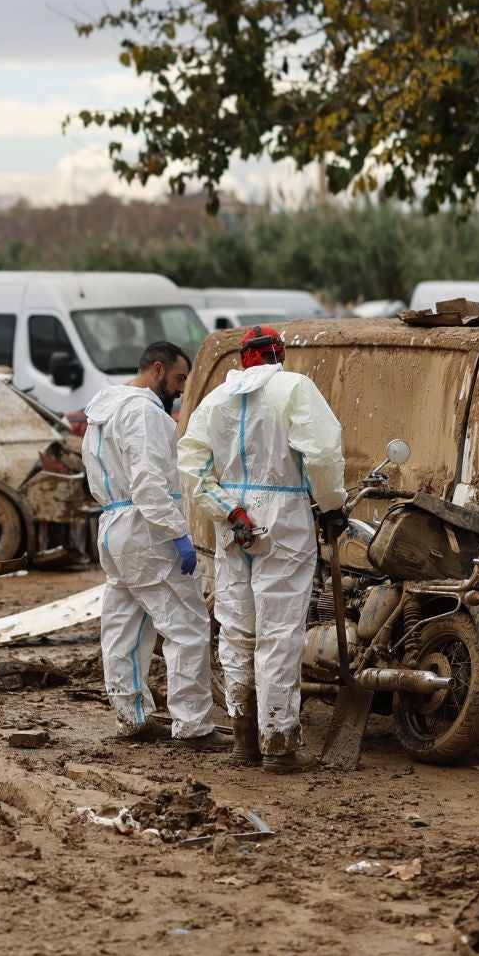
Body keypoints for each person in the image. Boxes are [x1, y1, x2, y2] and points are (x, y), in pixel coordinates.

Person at [178, 325, 345, 772]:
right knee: (278, 634)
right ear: (279, 356)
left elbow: (191, 468)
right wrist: (331, 505)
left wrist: (229, 511)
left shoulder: (215, 401)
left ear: (243, 359)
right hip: (285, 516)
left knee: (237, 630)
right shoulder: (294, 389)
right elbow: (323, 453)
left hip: (236, 523)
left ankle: (243, 741)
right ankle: (279, 744)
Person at [84, 340, 227, 751]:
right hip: (146, 529)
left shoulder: (102, 409)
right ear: (158, 370)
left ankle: (132, 717)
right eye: (180, 378)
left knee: (124, 626)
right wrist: (176, 533)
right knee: (188, 628)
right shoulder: (143, 413)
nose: (183, 388)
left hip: (114, 525)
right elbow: (148, 482)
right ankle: (194, 726)